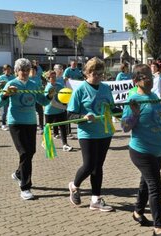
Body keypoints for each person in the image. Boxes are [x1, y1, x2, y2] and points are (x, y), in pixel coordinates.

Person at [121, 64, 161, 236]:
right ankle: (158, 227)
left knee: (145, 184)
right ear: (136, 81)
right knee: (155, 186)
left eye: (150, 76)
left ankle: (137, 211)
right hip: (141, 151)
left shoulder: (154, 96)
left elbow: (160, 118)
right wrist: (134, 114)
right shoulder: (133, 99)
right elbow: (125, 127)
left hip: (159, 150)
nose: (149, 79)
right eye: (145, 77)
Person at [0, 58, 55, 200]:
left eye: (27, 70)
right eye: (22, 70)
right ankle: (25, 187)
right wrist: (5, 94)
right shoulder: (11, 83)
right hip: (16, 122)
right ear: (16, 71)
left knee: (31, 151)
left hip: (31, 122)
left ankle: (19, 174)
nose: (25, 72)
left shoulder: (34, 84)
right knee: (24, 152)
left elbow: (43, 100)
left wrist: (49, 95)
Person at [67, 57, 117, 211]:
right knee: (89, 165)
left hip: (104, 132)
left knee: (98, 166)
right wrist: (82, 118)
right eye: (94, 73)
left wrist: (128, 110)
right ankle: (74, 186)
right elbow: (70, 115)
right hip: (87, 134)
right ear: (87, 73)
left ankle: (95, 199)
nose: (98, 77)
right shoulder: (80, 90)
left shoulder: (106, 88)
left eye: (100, 74)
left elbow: (113, 109)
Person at [43, 70, 73, 152]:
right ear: (48, 79)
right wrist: (63, 107)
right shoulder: (48, 88)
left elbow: (66, 94)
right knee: (48, 129)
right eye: (52, 77)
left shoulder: (59, 85)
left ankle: (65, 144)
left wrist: (68, 103)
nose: (54, 78)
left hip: (60, 112)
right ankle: (45, 143)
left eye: (55, 76)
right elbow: (52, 102)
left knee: (63, 128)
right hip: (50, 112)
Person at [0, 64, 16, 131]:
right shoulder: (1, 77)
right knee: (4, 111)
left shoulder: (13, 77)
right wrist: (1, 84)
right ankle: (3, 124)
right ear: (4, 70)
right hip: (5, 96)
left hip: (12, 96)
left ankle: (12, 123)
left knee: (12, 110)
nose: (8, 71)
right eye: (7, 69)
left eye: (9, 69)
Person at [29, 66, 44, 134]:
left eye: (34, 71)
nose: (33, 72)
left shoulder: (38, 78)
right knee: (30, 113)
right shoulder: (27, 78)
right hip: (29, 99)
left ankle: (41, 127)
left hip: (37, 98)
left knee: (40, 112)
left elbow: (40, 87)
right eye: (31, 70)